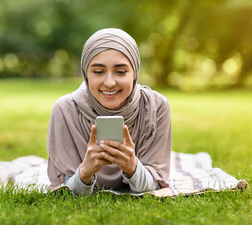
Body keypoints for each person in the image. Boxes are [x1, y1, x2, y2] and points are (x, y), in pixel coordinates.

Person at [47, 28, 172, 194]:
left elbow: (156, 185)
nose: (110, 82)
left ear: (134, 73)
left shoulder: (156, 107)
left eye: (121, 72)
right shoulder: (65, 110)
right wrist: (85, 172)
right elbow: (63, 190)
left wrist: (133, 167)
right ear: (86, 74)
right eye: (98, 72)